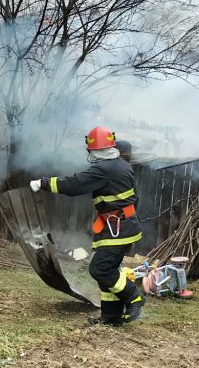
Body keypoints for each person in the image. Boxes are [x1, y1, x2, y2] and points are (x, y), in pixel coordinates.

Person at [30, 126, 144, 325]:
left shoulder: (104, 169)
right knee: (109, 270)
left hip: (118, 229)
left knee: (100, 270)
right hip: (119, 227)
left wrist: (43, 183)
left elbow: (74, 185)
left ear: (93, 150)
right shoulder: (122, 165)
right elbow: (134, 199)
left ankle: (134, 297)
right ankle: (111, 316)